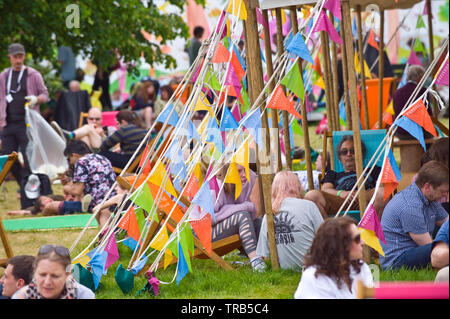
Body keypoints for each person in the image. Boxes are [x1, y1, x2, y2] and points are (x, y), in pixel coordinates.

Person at [380, 161, 449, 270]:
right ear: (427, 186)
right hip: (396, 262)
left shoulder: (431, 198)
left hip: (413, 252)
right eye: (443, 191)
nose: (445, 195)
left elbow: (447, 222)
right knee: (440, 251)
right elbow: (430, 247)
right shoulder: (410, 206)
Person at [0, 43, 49, 197]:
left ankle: (29, 190)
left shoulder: (33, 74)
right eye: (15, 57)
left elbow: (45, 95)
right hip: (8, 123)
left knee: (29, 158)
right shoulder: (4, 75)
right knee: (8, 158)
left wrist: (36, 99)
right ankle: (24, 183)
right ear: (10, 57)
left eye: (21, 56)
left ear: (24, 56)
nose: (18, 60)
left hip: (27, 123)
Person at [304, 135, 385, 220]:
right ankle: (327, 231)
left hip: (368, 201)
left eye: (353, 151)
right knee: (311, 195)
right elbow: (326, 189)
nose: (349, 154)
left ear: (361, 154)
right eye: (344, 152)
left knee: (382, 193)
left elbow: (382, 186)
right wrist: (342, 193)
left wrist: (361, 194)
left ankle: (374, 231)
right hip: (341, 201)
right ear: (340, 157)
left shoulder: (373, 170)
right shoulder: (333, 174)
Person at [256, 171, 323, 270]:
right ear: (297, 186)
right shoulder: (308, 206)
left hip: (286, 269)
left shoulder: (269, 214)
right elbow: (326, 238)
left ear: (274, 188)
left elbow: (264, 256)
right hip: (314, 267)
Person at [294, 216, 374, 299]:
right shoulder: (314, 276)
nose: (363, 242)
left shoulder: (361, 267)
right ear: (341, 245)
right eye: (357, 239)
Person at [41, 140, 116, 228]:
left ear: (74, 155)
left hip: (95, 204)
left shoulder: (81, 162)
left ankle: (49, 225)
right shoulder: (103, 158)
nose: (71, 163)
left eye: (69, 159)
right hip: (111, 201)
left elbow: (77, 191)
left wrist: (65, 187)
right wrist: (70, 181)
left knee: (49, 207)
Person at [212, 163, 265, 271]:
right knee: (242, 216)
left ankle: (266, 257)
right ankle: (256, 261)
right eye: (239, 171)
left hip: (221, 229)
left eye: (244, 171)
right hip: (202, 236)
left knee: (258, 222)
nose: (244, 175)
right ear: (228, 172)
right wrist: (242, 207)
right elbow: (209, 218)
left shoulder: (235, 187)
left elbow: (251, 213)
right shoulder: (215, 187)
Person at [12, 244, 95, 299]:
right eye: (42, 274)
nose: (47, 282)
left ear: (68, 274)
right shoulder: (22, 296)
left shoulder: (84, 295)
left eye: (55, 276)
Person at [393, 65, 432, 140]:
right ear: (420, 77)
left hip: (401, 132)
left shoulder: (397, 92)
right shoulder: (422, 91)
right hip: (418, 132)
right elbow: (428, 114)